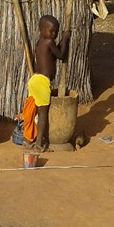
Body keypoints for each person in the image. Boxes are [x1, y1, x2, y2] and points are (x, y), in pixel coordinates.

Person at [26, 15, 70, 152]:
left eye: (56, 32)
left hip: (34, 79)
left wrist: (62, 39)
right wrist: (66, 39)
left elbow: (54, 53)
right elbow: (61, 55)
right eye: (51, 31)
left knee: (34, 112)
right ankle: (39, 144)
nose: (54, 34)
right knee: (43, 113)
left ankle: (29, 138)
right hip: (42, 82)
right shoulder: (49, 42)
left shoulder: (40, 42)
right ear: (42, 29)